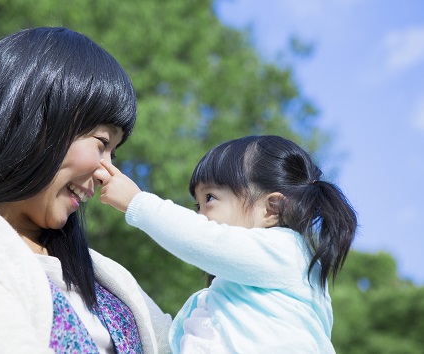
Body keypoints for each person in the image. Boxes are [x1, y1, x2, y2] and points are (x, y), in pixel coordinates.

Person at [0, 27, 171, 354]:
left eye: (114, 153)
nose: (107, 172)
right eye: (102, 143)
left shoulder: (109, 277)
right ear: (36, 120)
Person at [96, 135, 358, 353]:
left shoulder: (289, 253)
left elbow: (203, 238)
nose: (199, 216)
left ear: (272, 208)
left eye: (209, 198)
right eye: (196, 205)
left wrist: (137, 202)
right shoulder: (226, 297)